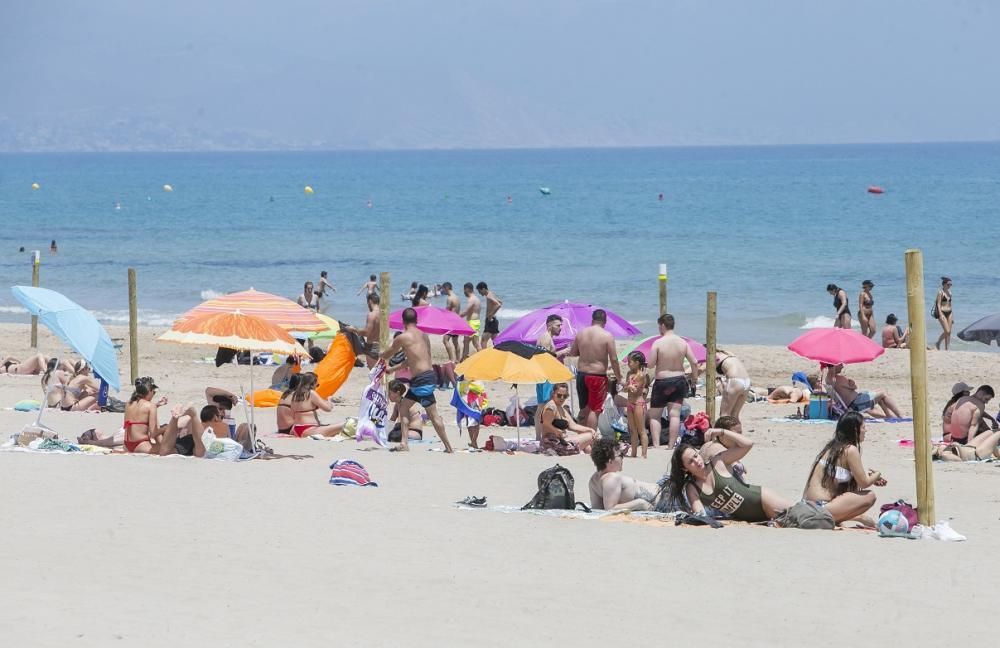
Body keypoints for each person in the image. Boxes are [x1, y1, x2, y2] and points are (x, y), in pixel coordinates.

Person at [668, 430, 792, 522]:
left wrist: (721, 432)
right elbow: (701, 516)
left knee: (801, 517)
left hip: (763, 499)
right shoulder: (692, 488)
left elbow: (748, 444)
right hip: (751, 519)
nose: (697, 461)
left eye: (695, 455)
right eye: (691, 461)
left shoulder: (717, 462)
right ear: (684, 468)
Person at [379, 307, 454, 452]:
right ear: (417, 320)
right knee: (404, 407)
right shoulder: (424, 335)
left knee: (433, 415)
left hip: (422, 381)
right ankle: (404, 444)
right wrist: (392, 370)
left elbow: (390, 352)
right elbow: (413, 361)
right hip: (425, 378)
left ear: (403, 321)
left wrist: (379, 356)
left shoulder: (403, 337)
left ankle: (449, 447)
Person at [802, 412, 884, 527]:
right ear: (855, 430)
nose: (866, 431)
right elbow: (864, 483)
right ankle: (852, 518)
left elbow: (844, 483)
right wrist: (877, 474)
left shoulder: (833, 447)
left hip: (807, 505)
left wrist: (872, 478)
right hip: (821, 507)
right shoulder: (850, 450)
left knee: (861, 509)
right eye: (864, 427)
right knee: (870, 496)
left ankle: (850, 519)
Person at [647, 313, 698, 449]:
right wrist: (694, 378)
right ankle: (670, 445)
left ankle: (657, 445)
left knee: (655, 415)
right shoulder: (683, 342)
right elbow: (694, 361)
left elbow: (650, 364)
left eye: (659, 326)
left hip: (662, 382)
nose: (659, 329)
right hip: (678, 380)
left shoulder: (658, 343)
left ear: (663, 325)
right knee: (674, 415)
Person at [567, 309, 622, 431]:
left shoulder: (581, 334)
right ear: (605, 321)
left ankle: (582, 437)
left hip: (581, 375)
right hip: (597, 376)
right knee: (594, 410)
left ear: (592, 320)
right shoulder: (607, 336)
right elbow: (613, 359)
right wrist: (619, 378)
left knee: (583, 409)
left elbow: (573, 353)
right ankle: (590, 438)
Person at [588, 437, 662, 510]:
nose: (622, 458)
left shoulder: (593, 480)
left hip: (661, 493)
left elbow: (597, 509)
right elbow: (610, 509)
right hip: (662, 498)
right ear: (610, 461)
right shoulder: (612, 478)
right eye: (621, 455)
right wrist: (640, 503)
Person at [533, 314, 569, 440]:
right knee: (544, 406)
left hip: (544, 376)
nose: (560, 328)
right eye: (558, 325)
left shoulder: (547, 338)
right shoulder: (546, 338)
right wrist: (562, 352)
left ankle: (541, 436)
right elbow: (544, 358)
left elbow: (547, 355)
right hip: (545, 376)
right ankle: (541, 436)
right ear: (550, 325)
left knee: (543, 406)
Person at [276, 372, 343, 438]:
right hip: (306, 429)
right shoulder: (311, 393)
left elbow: (295, 412)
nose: (316, 387)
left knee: (336, 429)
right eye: (317, 385)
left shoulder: (293, 395)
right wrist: (329, 401)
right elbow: (328, 409)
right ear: (312, 384)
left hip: (295, 429)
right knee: (346, 424)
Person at [826, 363, 904, 419]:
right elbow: (854, 387)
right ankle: (901, 416)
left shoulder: (830, 379)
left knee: (877, 397)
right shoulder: (835, 379)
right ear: (834, 365)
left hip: (854, 402)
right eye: (840, 364)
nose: (842, 366)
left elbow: (852, 387)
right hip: (856, 403)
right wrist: (852, 384)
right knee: (882, 394)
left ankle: (889, 416)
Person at [539, 382, 597, 454]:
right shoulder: (551, 407)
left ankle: (591, 459)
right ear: (553, 393)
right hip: (552, 444)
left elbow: (573, 426)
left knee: (588, 442)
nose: (562, 398)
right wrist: (556, 431)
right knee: (590, 436)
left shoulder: (561, 408)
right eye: (559, 395)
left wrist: (589, 429)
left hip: (562, 440)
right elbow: (546, 423)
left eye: (565, 396)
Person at [623, 351, 650, 458]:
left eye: (630, 362)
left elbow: (635, 389)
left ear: (637, 363)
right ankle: (633, 453)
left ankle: (644, 454)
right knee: (632, 430)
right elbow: (626, 388)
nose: (628, 364)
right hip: (630, 403)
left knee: (641, 430)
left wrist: (628, 386)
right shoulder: (629, 374)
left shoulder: (641, 375)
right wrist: (628, 386)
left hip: (638, 403)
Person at [714, 349, 751, 423]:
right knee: (734, 415)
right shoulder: (726, 353)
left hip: (734, 381)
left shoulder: (711, 356)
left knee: (724, 415)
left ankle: (724, 434)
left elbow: (701, 368)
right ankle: (737, 434)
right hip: (747, 381)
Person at [476, 282, 503, 348]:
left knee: (483, 341)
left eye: (480, 291)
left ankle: (484, 356)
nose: (479, 293)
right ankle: (499, 354)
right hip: (494, 321)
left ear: (483, 289)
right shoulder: (491, 294)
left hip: (490, 321)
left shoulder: (488, 296)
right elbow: (500, 302)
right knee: (495, 341)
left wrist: (491, 314)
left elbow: (498, 304)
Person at [459, 282, 482, 360]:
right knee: (466, 342)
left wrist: (456, 317)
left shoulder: (472, 299)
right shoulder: (477, 299)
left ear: (467, 289)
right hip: (475, 322)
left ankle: (483, 359)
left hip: (472, 323)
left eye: (464, 290)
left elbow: (465, 311)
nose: (463, 292)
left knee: (476, 344)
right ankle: (463, 359)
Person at [441, 282, 461, 362]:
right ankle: (458, 359)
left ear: (446, 288)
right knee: (455, 342)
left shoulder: (449, 298)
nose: (443, 291)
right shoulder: (457, 297)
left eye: (443, 289)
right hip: (457, 321)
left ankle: (451, 359)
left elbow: (447, 311)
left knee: (445, 340)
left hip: (451, 322)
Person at [935, 276, 953, 351]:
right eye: (949, 284)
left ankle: (947, 349)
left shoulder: (950, 293)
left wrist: (953, 316)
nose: (950, 286)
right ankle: (938, 342)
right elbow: (938, 304)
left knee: (949, 333)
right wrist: (941, 314)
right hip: (942, 312)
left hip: (950, 312)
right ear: (944, 284)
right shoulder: (940, 292)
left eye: (951, 285)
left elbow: (950, 304)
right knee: (947, 331)